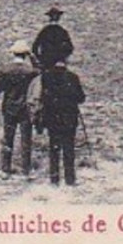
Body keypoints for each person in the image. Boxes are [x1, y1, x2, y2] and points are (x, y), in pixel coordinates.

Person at [0, 40, 39, 176]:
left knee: (8, 138)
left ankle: (5, 168)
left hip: (9, 107)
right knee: (26, 139)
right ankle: (26, 170)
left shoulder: (5, 70)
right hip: (25, 108)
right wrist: (33, 57)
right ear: (25, 54)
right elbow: (40, 70)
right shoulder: (30, 71)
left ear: (13, 53)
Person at [37, 58, 86, 186]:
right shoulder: (73, 77)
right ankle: (70, 179)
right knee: (69, 149)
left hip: (53, 118)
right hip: (69, 118)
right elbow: (81, 98)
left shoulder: (46, 77)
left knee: (54, 148)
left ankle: (54, 179)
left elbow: (43, 97)